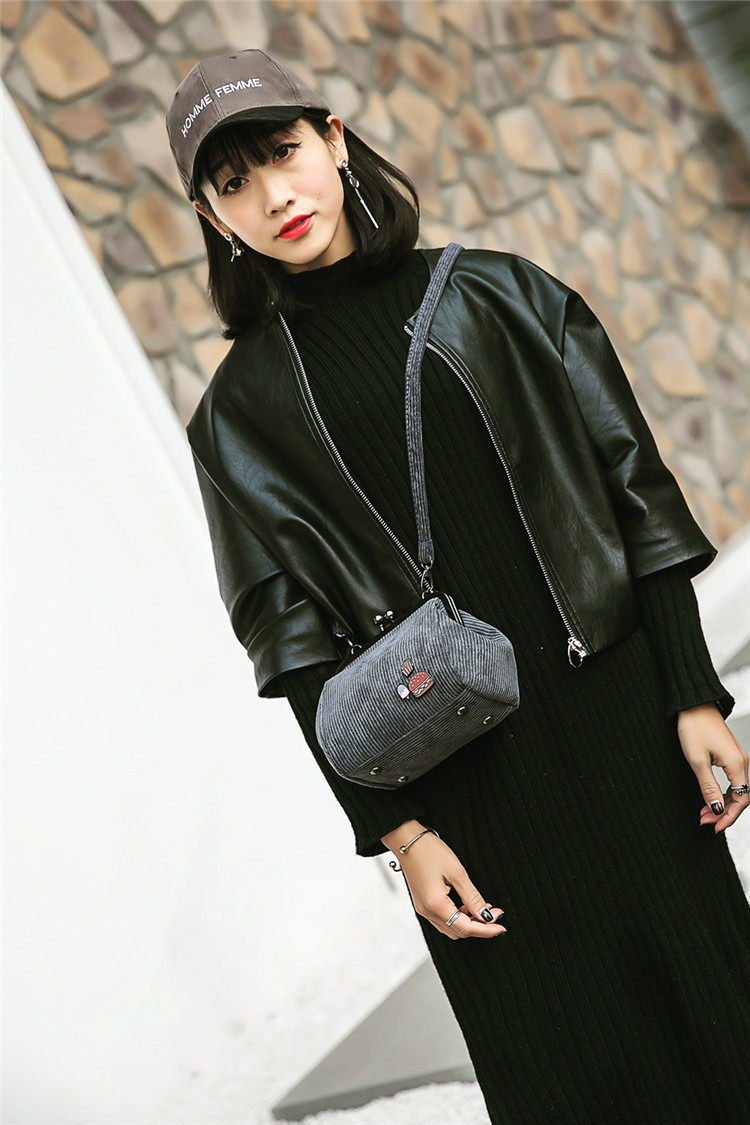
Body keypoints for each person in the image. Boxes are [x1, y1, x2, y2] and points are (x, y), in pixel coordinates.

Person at [166, 49, 750, 1123]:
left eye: (285, 152)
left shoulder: (503, 292)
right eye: (235, 182)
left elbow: (634, 492)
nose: (275, 194)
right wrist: (402, 834)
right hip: (466, 793)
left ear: (335, 141)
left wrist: (692, 687)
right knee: (567, 1075)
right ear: (211, 214)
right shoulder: (235, 419)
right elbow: (292, 648)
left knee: (722, 1018)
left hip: (619, 722)